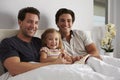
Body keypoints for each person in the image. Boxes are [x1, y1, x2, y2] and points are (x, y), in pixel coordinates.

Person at [0, 7, 70, 76]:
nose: (33, 26)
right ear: (20, 22)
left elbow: (55, 55)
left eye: (36, 23)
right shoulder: (9, 43)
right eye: (29, 22)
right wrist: (54, 63)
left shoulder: (39, 42)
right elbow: (14, 68)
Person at [55, 8, 120, 78]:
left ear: (72, 23)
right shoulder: (53, 40)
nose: (66, 24)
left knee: (114, 62)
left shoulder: (81, 34)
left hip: (89, 58)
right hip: (77, 64)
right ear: (57, 23)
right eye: (62, 20)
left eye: (69, 21)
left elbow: (94, 51)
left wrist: (85, 58)